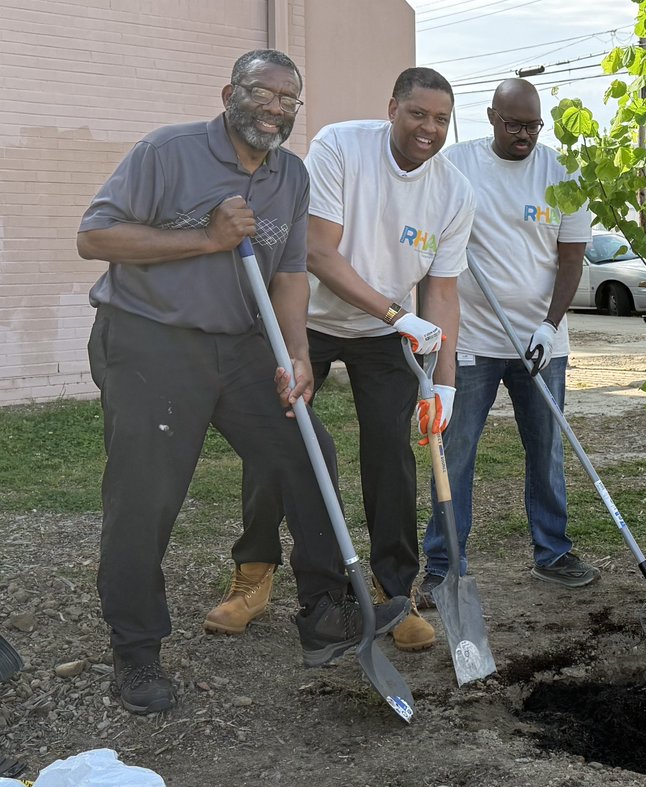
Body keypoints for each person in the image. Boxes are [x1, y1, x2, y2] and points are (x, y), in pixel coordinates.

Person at [77, 49, 410, 715]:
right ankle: (136, 654)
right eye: (263, 93)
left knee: (307, 452)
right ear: (232, 91)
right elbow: (95, 237)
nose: (275, 108)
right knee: (147, 496)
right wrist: (205, 238)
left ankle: (324, 614)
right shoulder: (167, 152)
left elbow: (289, 271)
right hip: (150, 340)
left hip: (240, 346)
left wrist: (295, 350)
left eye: (289, 99)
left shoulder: (289, 174)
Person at [203, 67, 475, 653]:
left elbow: (444, 294)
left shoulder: (453, 191)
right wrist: (395, 315)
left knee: (391, 457)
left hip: (383, 333)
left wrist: (444, 385)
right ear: (392, 108)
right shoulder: (340, 146)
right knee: (279, 441)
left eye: (441, 119)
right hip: (309, 319)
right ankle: (253, 576)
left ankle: (393, 591)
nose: (429, 128)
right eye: (418, 114)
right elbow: (318, 253)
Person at [421, 78, 597, 594]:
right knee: (456, 451)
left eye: (533, 126)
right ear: (492, 118)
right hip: (472, 338)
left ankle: (553, 552)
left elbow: (571, 259)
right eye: (515, 124)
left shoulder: (563, 174)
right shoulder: (457, 165)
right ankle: (444, 563)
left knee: (546, 450)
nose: (525, 135)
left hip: (541, 344)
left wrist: (549, 324)